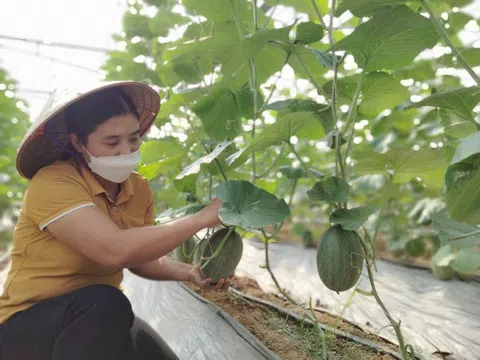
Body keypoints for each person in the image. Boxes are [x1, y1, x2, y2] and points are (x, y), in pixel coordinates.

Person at [0, 81, 231, 360]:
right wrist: (201, 219)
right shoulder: (53, 181)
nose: (126, 151)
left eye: (133, 139)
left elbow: (141, 260)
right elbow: (114, 250)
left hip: (93, 322)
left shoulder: (139, 189)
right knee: (109, 302)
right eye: (112, 142)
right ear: (77, 142)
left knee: (148, 348)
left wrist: (188, 272)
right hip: (25, 327)